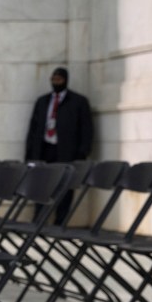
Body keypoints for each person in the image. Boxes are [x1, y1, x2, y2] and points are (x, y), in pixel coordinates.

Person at [25, 66, 93, 224]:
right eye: (53, 80)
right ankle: (39, 219)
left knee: (65, 187)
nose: (56, 83)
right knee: (41, 185)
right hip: (44, 149)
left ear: (66, 81)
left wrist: (82, 152)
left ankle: (60, 221)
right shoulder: (42, 102)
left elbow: (86, 128)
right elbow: (33, 129)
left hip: (66, 151)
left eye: (59, 80)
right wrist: (30, 154)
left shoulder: (78, 102)